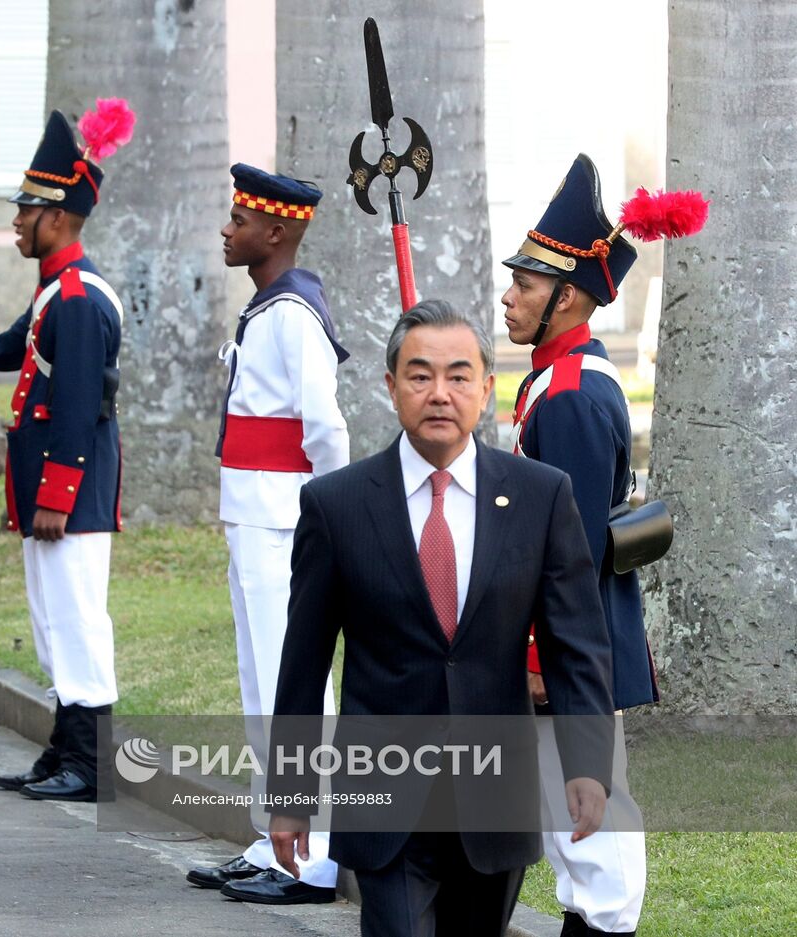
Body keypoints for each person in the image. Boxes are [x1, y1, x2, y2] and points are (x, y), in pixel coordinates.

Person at [268, 300, 615, 937]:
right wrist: (290, 793)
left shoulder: (540, 496)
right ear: (390, 386)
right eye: (420, 375)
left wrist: (586, 764)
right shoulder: (336, 505)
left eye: (459, 376)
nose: (439, 393)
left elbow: (577, 646)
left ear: (486, 388)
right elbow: (304, 659)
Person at [0, 101, 133, 802]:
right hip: (51, 496)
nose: (17, 219)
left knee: (78, 621)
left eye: (26, 209)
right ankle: (66, 746)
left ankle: (91, 761)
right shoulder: (56, 291)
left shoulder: (77, 298)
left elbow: (78, 409)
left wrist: (55, 497)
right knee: (53, 625)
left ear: (59, 216)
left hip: (68, 498)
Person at [500, 153, 666, 937]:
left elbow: (562, 552)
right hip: (567, 632)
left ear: (566, 297)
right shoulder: (558, 378)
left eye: (525, 285)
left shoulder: (567, 394)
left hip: (566, 636)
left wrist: (538, 655)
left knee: (587, 795)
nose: (508, 296)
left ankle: (601, 924)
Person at [186, 164, 348, 905]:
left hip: (286, 523)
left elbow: (327, 430)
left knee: (294, 689)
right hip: (257, 518)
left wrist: (329, 523)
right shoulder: (269, 308)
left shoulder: (291, 315)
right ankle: (272, 834)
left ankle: (310, 851)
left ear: (275, 232)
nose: (227, 230)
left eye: (239, 221)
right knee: (264, 684)